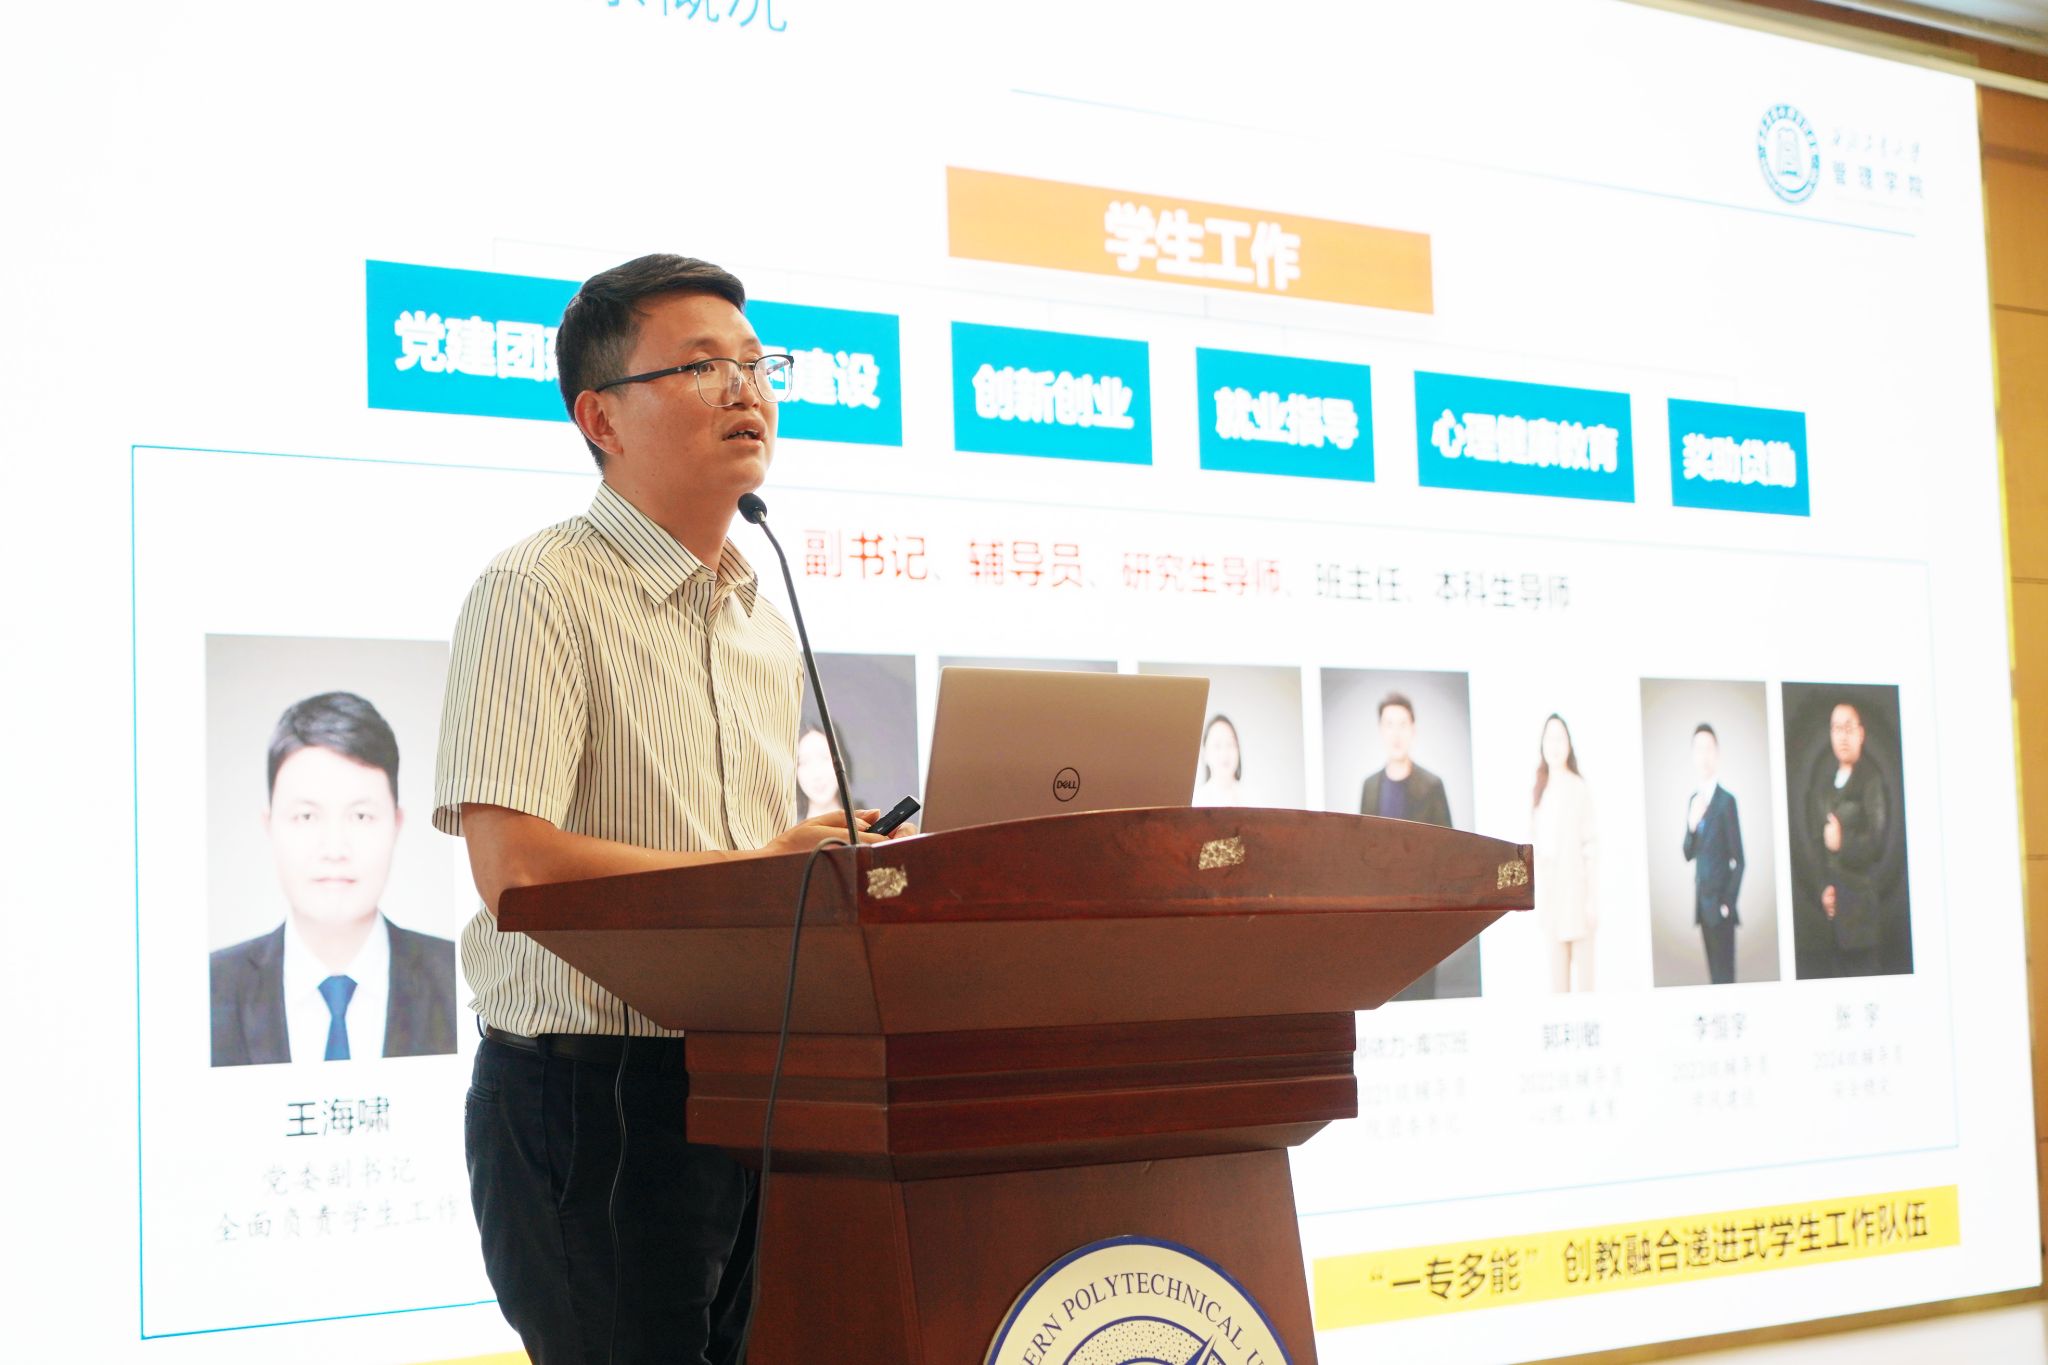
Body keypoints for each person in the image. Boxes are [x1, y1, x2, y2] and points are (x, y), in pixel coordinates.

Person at [433, 254, 913, 1365]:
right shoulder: (537, 591)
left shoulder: (760, 621)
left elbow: (748, 866)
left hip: (749, 1079)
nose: (746, 388)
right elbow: (516, 871)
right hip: (591, 1093)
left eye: (757, 363)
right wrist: (760, 870)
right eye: (702, 366)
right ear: (600, 416)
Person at [211, 691, 457, 1066]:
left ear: (396, 824)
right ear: (270, 826)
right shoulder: (209, 990)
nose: (334, 848)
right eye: (307, 817)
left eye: (360, 816)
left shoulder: (459, 981)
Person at [1359, 691, 1456, 998]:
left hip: (1422, 917)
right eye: (1389, 724)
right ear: (1380, 730)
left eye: (1402, 724)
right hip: (1382, 918)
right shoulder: (1370, 787)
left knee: (1421, 996)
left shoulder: (1432, 786)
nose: (1396, 733)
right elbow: (1362, 851)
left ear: (1413, 729)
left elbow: (1448, 851)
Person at [1805, 701, 1890, 978]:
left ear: (1860, 734)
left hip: (1860, 915)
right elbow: (1817, 844)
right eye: (1836, 728)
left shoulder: (1871, 780)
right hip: (1833, 914)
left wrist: (1843, 843)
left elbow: (1877, 843)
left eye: (1848, 728)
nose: (1842, 736)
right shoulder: (1824, 786)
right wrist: (1823, 888)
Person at [1531, 714, 1596, 993]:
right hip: (1552, 902)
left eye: (1560, 738)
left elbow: (1590, 847)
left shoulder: (1579, 787)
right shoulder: (1539, 791)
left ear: (1569, 744)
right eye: (1550, 738)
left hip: (1578, 899)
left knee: (1585, 988)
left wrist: (1592, 900)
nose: (1555, 745)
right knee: (1558, 990)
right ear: (1542, 745)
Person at [1682, 723, 1745, 985]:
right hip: (1702, 905)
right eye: (1699, 749)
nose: (1704, 755)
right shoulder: (1694, 800)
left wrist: (1727, 903)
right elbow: (1687, 853)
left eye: (1708, 748)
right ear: (1693, 755)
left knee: (1725, 978)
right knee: (1713, 980)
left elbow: (1739, 860)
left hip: (1720, 907)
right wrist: (1691, 825)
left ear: (1717, 753)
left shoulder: (1726, 801)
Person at [794, 720, 858, 820]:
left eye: (825, 757)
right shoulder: (789, 828)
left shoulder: (868, 823)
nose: (817, 774)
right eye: (804, 762)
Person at [1191, 712, 1242, 806]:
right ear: (1204, 754)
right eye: (1217, 745)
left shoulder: (1252, 799)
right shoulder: (1196, 802)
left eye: (1230, 744)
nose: (1224, 752)